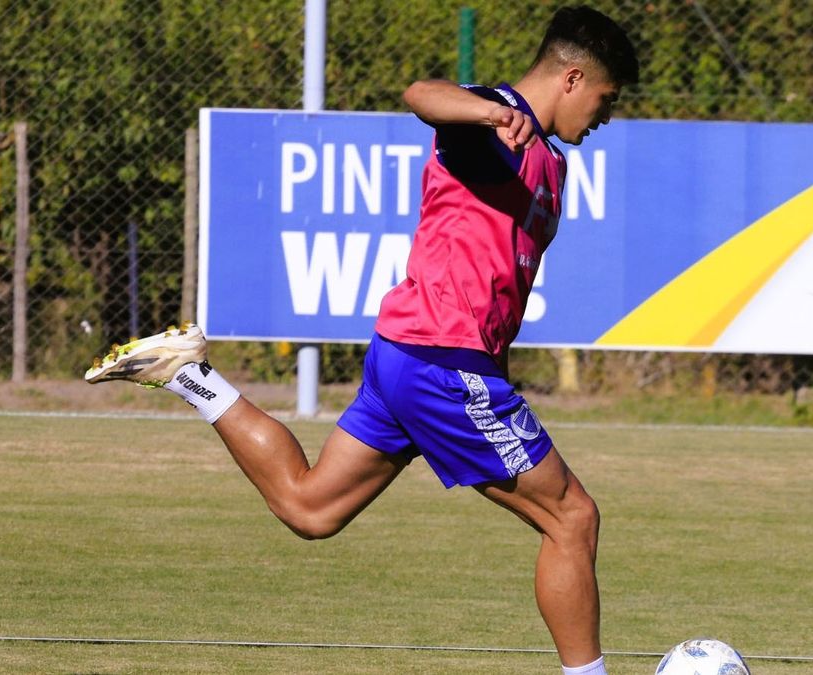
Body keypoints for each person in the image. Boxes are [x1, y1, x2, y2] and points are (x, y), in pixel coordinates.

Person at [86, 6, 638, 673]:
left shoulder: (545, 160)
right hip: (441, 362)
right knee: (572, 518)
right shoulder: (496, 125)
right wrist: (489, 114)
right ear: (573, 78)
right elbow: (421, 96)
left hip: (412, 356)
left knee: (310, 507)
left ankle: (188, 374)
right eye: (607, 99)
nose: (607, 116)